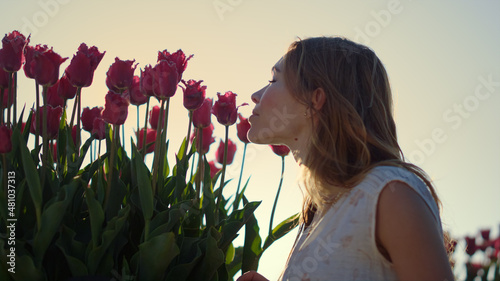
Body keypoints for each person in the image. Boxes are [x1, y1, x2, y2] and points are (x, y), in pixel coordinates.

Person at [239, 37, 454, 281]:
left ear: (314, 100)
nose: (256, 95)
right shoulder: (319, 211)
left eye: (274, 80)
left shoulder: (390, 193)